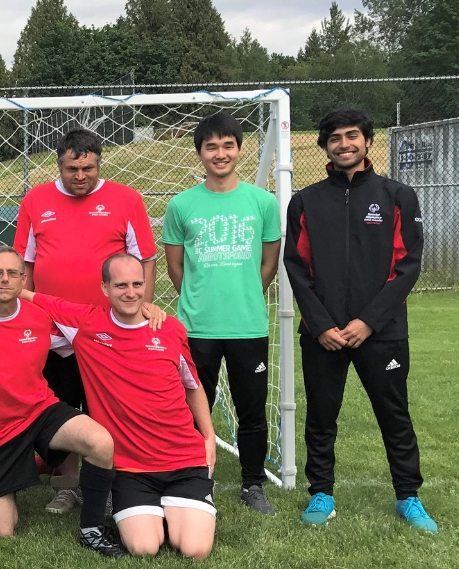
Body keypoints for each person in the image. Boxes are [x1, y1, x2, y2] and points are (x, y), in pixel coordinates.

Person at [284, 108, 436, 532]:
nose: (344, 143)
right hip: (324, 333)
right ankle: (321, 493)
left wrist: (368, 322)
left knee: (394, 414)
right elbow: (296, 266)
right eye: (335, 137)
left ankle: (408, 496)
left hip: (381, 332)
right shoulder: (306, 201)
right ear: (325, 146)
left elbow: (407, 266)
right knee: (321, 414)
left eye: (352, 135)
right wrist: (320, 325)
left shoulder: (397, 196)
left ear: (368, 141)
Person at [0, 247, 123, 554]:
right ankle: (20, 469)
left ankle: (91, 529)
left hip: (39, 412)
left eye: (13, 273)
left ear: (24, 280)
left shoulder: (40, 318)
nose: (5, 280)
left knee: (100, 442)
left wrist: (144, 311)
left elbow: (95, 325)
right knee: (1, 530)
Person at [13, 128, 158, 515]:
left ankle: (109, 484)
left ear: (99, 162)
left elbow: (145, 258)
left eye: (88, 167)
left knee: (107, 408)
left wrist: (144, 305)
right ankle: (65, 485)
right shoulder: (35, 199)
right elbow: (23, 262)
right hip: (51, 328)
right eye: (71, 168)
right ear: (58, 164)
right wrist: (25, 313)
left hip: (105, 329)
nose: (80, 175)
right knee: (59, 407)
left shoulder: (126, 199)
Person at [161, 113, 282, 516]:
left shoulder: (263, 202)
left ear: (240, 149)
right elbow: (176, 268)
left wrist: (244, 296)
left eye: (228, 145)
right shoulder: (181, 205)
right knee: (195, 406)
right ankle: (196, 479)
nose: (220, 153)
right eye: (211, 146)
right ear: (199, 153)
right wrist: (200, 300)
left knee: (252, 409)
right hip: (196, 326)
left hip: (248, 325)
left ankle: (252, 483)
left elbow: (268, 264)